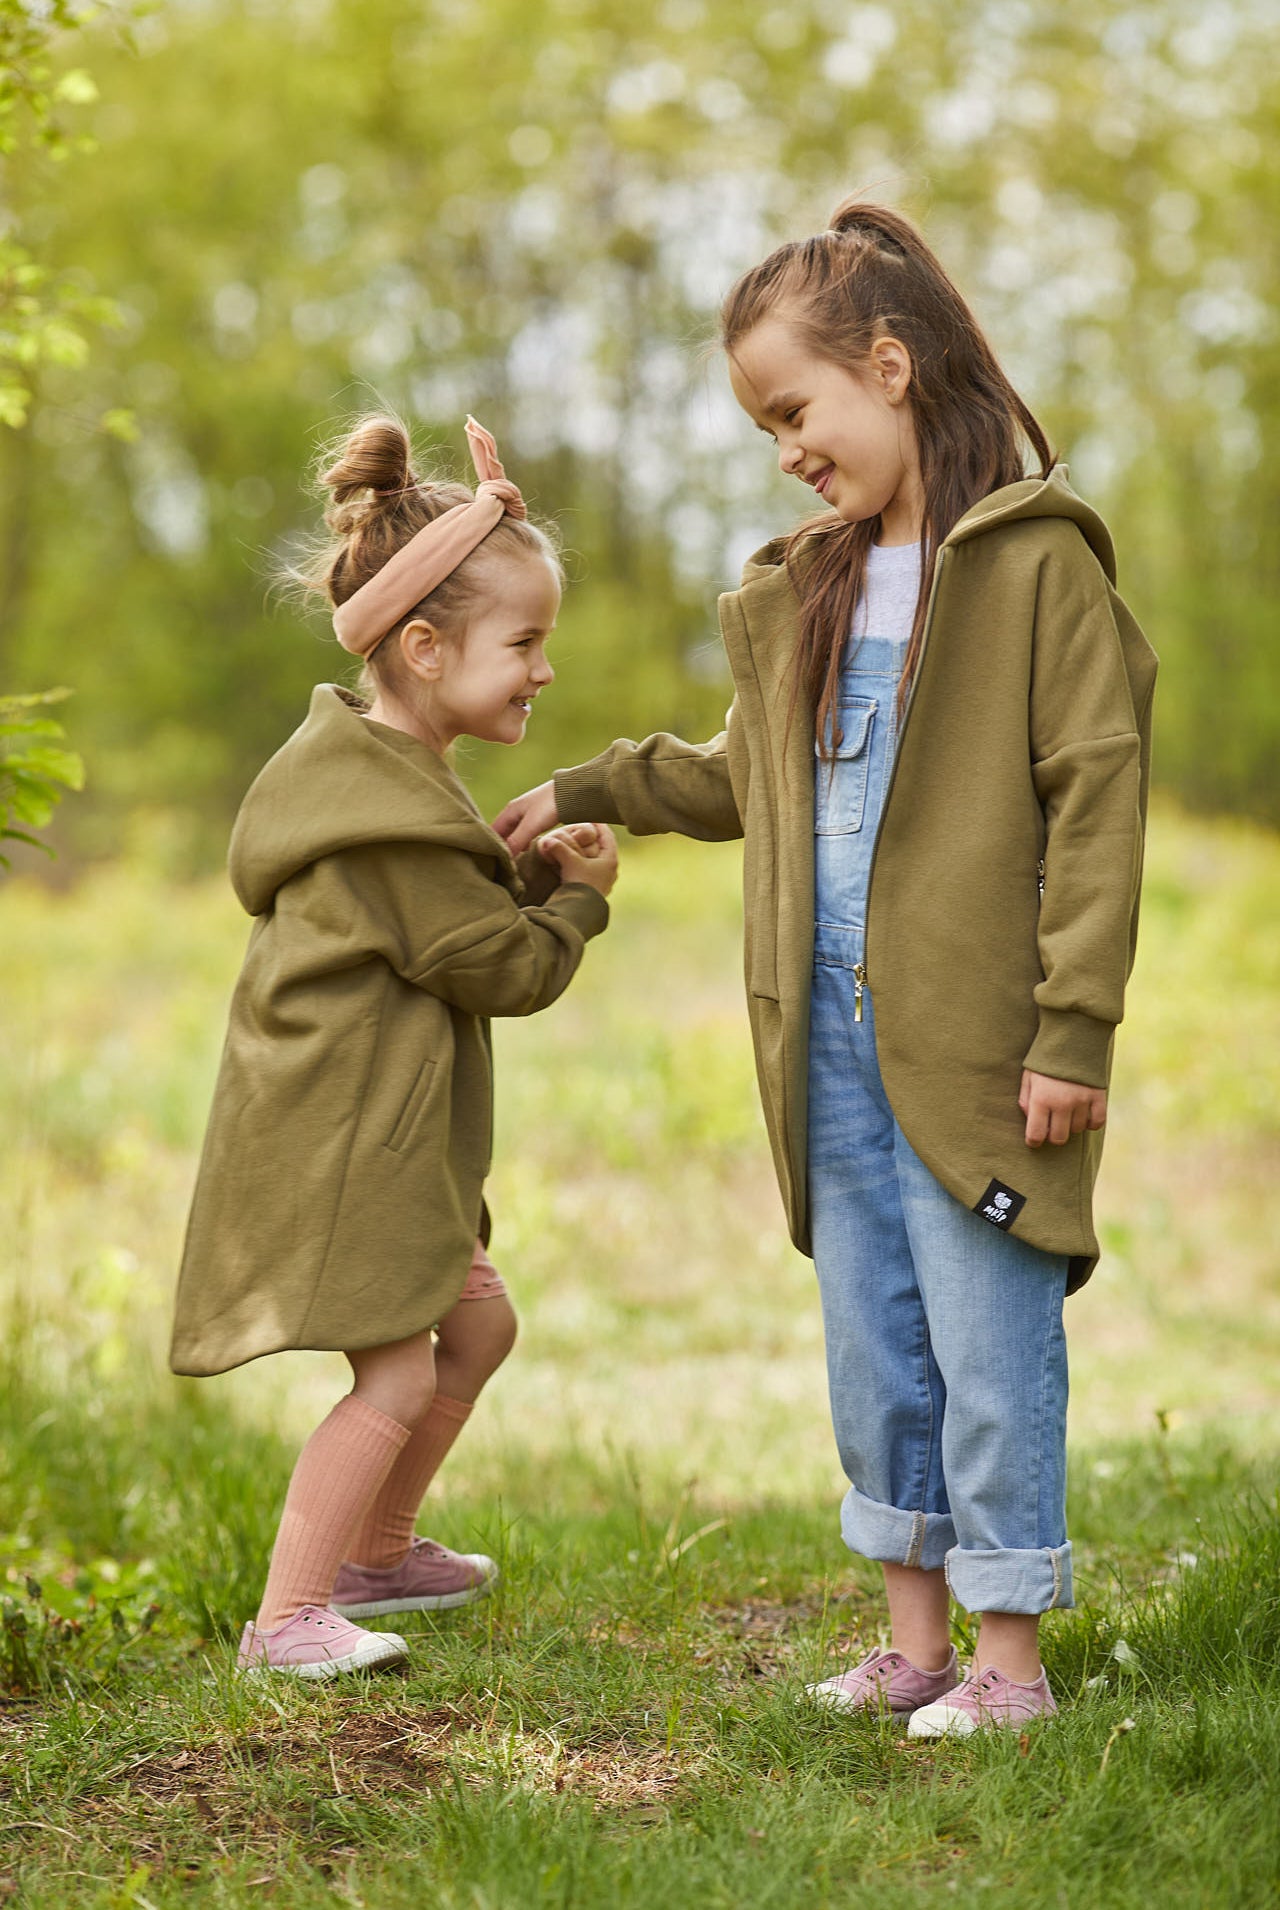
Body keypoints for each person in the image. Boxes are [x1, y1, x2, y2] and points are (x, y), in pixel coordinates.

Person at [495, 201, 1156, 1738]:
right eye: (762, 425)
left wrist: (1074, 1030)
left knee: (991, 1348)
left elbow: (1100, 808)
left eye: (794, 409)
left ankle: (1012, 1664)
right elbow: (747, 778)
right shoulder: (818, 586)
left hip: (983, 1049)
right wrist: (592, 787)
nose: (785, 447)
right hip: (829, 1057)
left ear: (891, 363)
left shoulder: (1037, 571)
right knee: (876, 1350)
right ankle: (914, 1644)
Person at [171, 414, 617, 1680]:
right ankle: (289, 1616)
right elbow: (498, 967)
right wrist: (574, 899)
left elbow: (449, 934)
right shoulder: (388, 818)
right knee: (396, 1375)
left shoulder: (388, 780)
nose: (542, 670)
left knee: (472, 1334)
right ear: (422, 648)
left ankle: (377, 1552)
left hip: (381, 1124)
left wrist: (520, 875)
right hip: (344, 1137)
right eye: (523, 643)